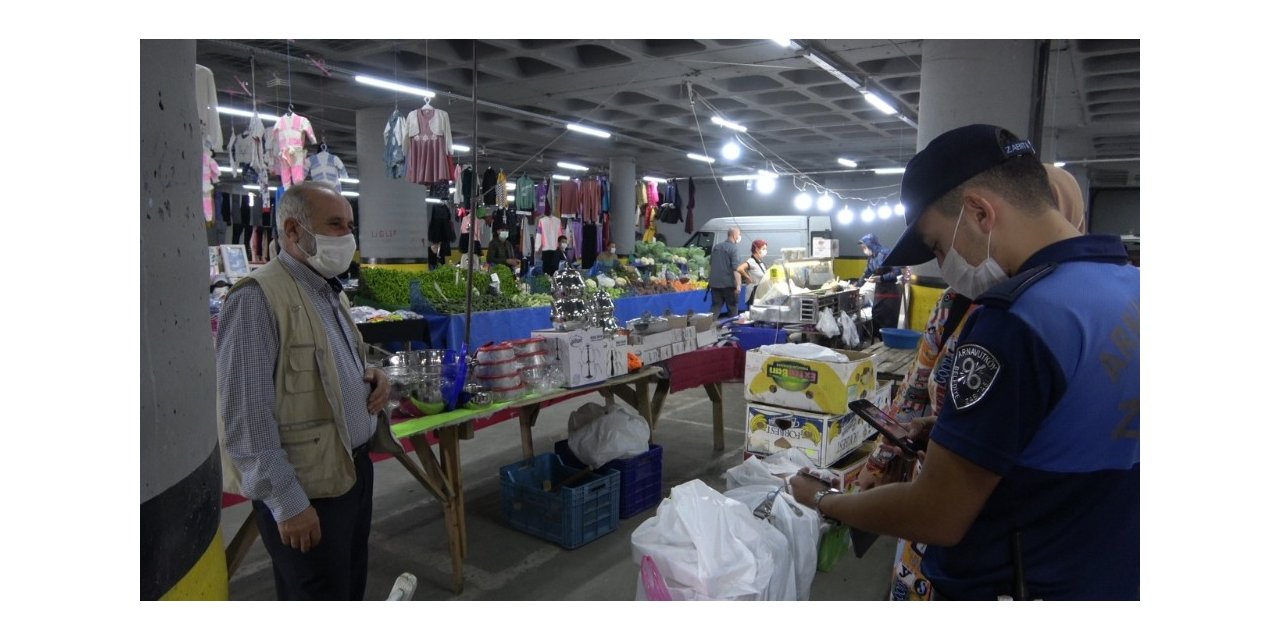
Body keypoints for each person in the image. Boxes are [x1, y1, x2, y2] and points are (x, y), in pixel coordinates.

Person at [789, 124, 1139, 600]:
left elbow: (937, 515)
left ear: (979, 212)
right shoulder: (1129, 285)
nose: (943, 263)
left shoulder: (1017, 321)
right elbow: (1075, 423)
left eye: (937, 246)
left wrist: (827, 500)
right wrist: (959, 432)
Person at [216, 181, 397, 600]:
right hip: (307, 489)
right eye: (334, 224)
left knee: (348, 590)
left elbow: (324, 362)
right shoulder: (257, 298)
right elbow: (245, 419)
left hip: (350, 473)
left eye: (349, 225)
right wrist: (288, 503)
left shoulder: (328, 291)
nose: (347, 237)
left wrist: (369, 375)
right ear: (293, 231)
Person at [858, 233, 903, 339]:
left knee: (888, 320)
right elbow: (867, 273)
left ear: (871, 244)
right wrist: (856, 285)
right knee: (877, 316)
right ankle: (880, 343)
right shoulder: (871, 258)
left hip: (891, 293)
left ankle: (889, 343)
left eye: (864, 247)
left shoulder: (886, 253)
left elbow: (897, 271)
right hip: (879, 293)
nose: (863, 250)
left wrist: (881, 278)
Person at [708, 226, 744, 318]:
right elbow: (736, 269)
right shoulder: (734, 249)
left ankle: (706, 327)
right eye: (739, 234)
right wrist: (738, 285)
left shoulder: (716, 247)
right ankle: (733, 329)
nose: (740, 236)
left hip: (715, 284)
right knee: (732, 308)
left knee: (715, 307)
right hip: (729, 285)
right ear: (734, 235)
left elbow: (711, 264)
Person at [736, 239, 768, 304]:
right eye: (763, 249)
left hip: (760, 291)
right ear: (757, 249)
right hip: (753, 292)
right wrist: (748, 277)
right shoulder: (751, 261)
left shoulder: (760, 262)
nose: (765, 251)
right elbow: (739, 268)